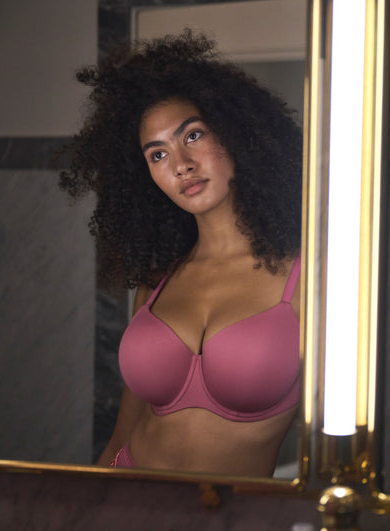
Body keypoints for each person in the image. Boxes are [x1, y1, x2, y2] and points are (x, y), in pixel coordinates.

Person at [59, 31, 303, 477]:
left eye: (192, 135)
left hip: (238, 516)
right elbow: (121, 434)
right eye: (157, 154)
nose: (180, 165)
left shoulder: (307, 280)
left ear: (236, 134)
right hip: (127, 500)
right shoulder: (158, 281)